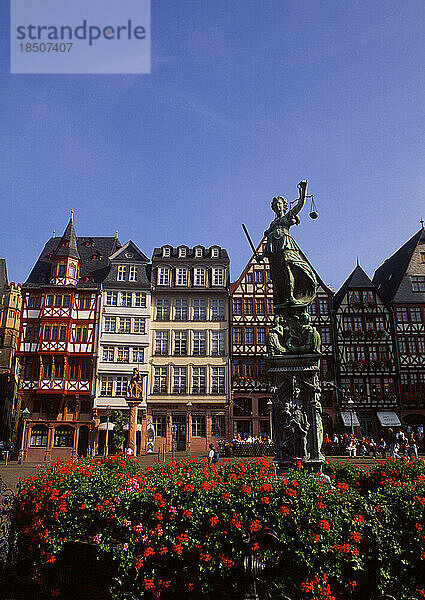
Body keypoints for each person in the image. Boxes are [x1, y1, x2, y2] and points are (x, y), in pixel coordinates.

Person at [256, 182, 317, 308]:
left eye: (279, 204)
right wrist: (261, 257)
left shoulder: (287, 217)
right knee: (279, 276)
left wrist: (303, 190)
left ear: (284, 206)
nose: (277, 206)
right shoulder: (273, 224)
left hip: (286, 246)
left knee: (288, 268)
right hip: (274, 252)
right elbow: (268, 244)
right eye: (275, 205)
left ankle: (291, 296)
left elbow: (300, 204)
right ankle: (284, 297)